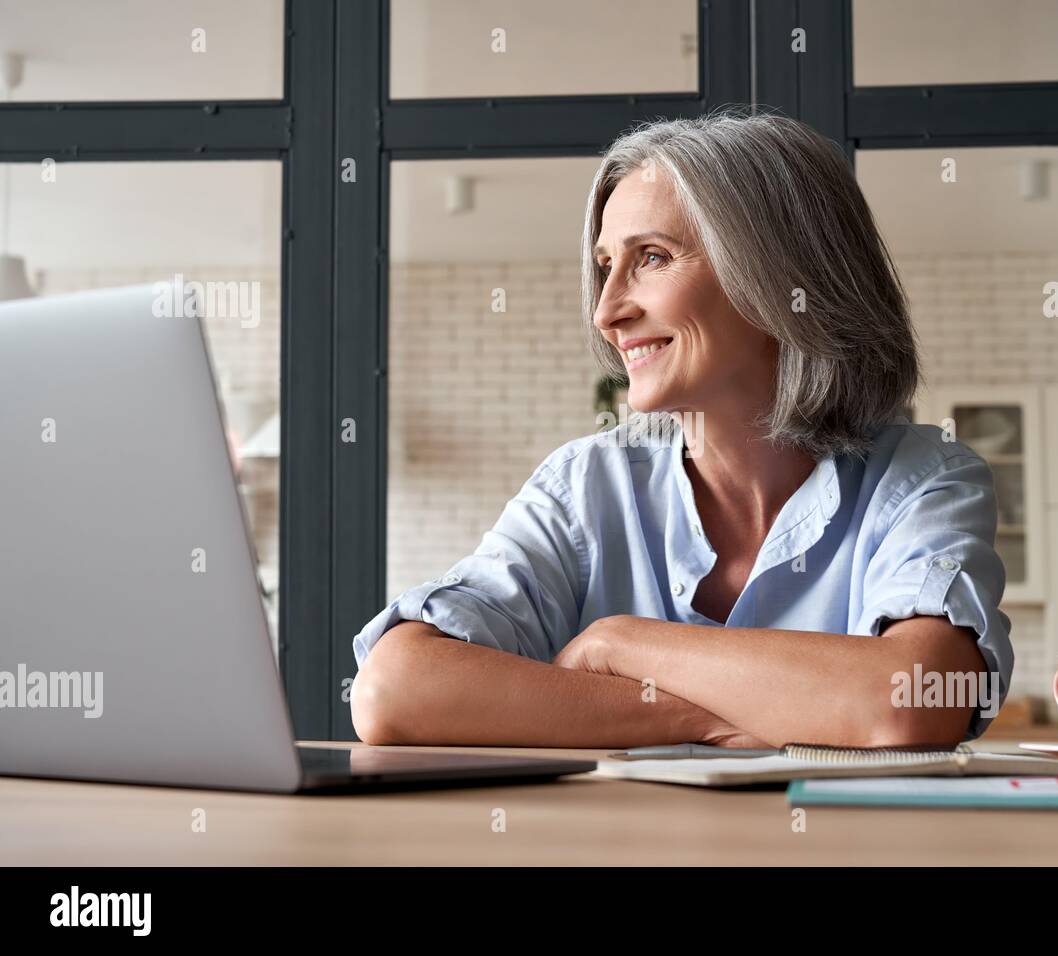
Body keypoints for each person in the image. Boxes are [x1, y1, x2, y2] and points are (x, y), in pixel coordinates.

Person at [349, 109, 1012, 749]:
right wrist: (712, 718)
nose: (607, 312)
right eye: (607, 265)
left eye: (655, 257)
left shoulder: (922, 477)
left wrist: (618, 643)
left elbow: (920, 699)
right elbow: (394, 689)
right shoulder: (584, 488)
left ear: (782, 277)